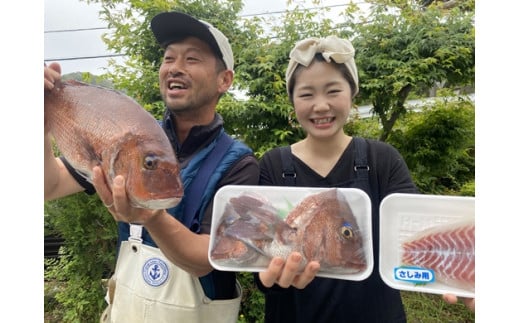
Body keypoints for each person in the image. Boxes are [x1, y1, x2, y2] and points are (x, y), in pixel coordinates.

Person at [44, 11, 259, 323]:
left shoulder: (239, 163)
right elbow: (48, 186)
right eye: (169, 57)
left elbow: (206, 259)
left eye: (192, 59)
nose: (175, 68)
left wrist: (150, 217)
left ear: (224, 80)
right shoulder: (128, 140)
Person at [254, 35, 473, 322]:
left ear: (352, 93)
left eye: (333, 91)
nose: (320, 105)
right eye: (307, 94)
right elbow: (262, 256)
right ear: (293, 101)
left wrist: (461, 264)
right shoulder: (274, 164)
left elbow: (418, 232)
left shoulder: (381, 159)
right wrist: (267, 277)